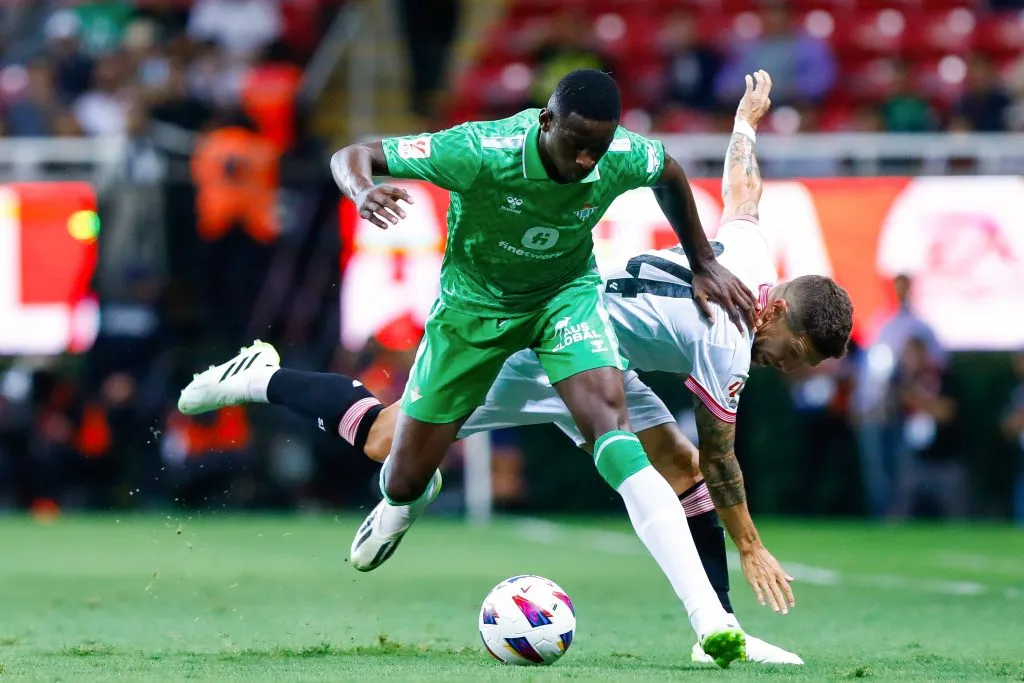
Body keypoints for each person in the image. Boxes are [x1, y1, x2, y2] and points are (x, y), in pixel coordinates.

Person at [183, 71, 853, 665]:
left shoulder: (735, 246)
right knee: (391, 450)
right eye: (792, 355)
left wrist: (740, 133)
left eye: (600, 148)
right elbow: (723, 460)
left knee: (653, 456)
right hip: (494, 329)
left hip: (573, 316)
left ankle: (716, 629)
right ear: (545, 123)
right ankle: (261, 378)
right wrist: (752, 544)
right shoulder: (482, 149)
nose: (589, 160)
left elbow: (731, 191)